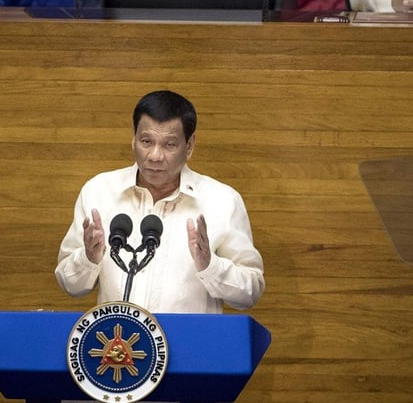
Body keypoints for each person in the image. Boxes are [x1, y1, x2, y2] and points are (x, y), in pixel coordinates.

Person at [55, 90, 264, 314]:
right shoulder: (99, 191)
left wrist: (210, 265)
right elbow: (69, 285)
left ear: (190, 145)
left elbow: (250, 291)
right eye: (146, 141)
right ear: (133, 139)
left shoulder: (221, 201)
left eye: (169, 145)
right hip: (118, 345)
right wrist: (88, 258)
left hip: (189, 346)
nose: (155, 155)